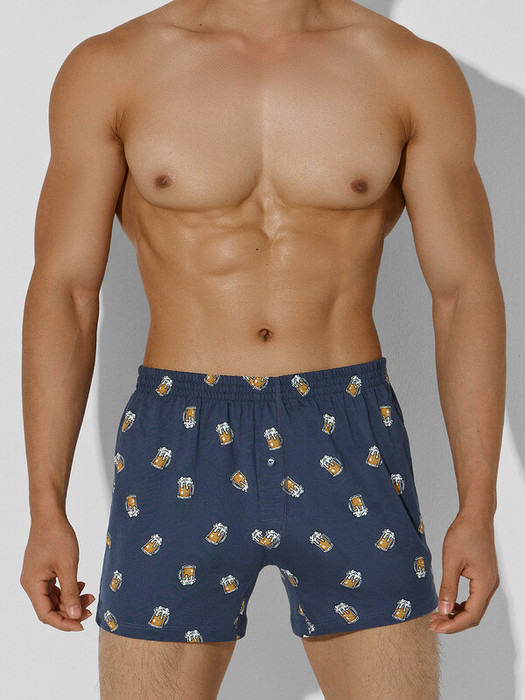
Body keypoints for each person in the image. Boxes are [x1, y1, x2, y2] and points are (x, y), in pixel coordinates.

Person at [19, 1, 504, 698]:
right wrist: (45, 506)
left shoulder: (408, 70)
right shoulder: (112, 68)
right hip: (179, 435)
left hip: (347, 428)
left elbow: (463, 293)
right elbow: (64, 291)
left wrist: (478, 508)